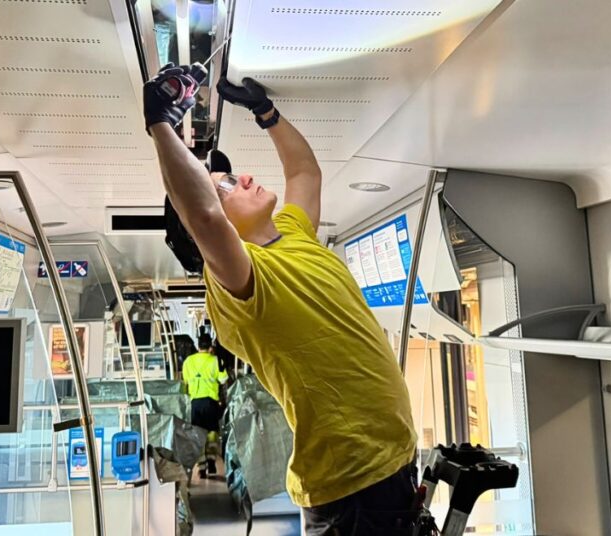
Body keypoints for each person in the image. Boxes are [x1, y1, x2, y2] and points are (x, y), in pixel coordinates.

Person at [144, 66, 418, 534]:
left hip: (391, 464)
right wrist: (161, 124)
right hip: (352, 488)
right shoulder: (242, 287)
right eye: (227, 185)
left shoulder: (294, 233)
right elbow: (204, 217)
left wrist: (266, 112)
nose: (244, 178)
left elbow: (305, 172)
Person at [182, 333, 228, 478]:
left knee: (198, 435)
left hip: (195, 403)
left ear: (198, 346)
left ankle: (201, 467)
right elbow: (224, 379)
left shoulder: (188, 361)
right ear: (210, 347)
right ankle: (211, 460)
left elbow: (185, 382)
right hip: (210, 402)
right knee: (212, 433)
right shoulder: (217, 360)